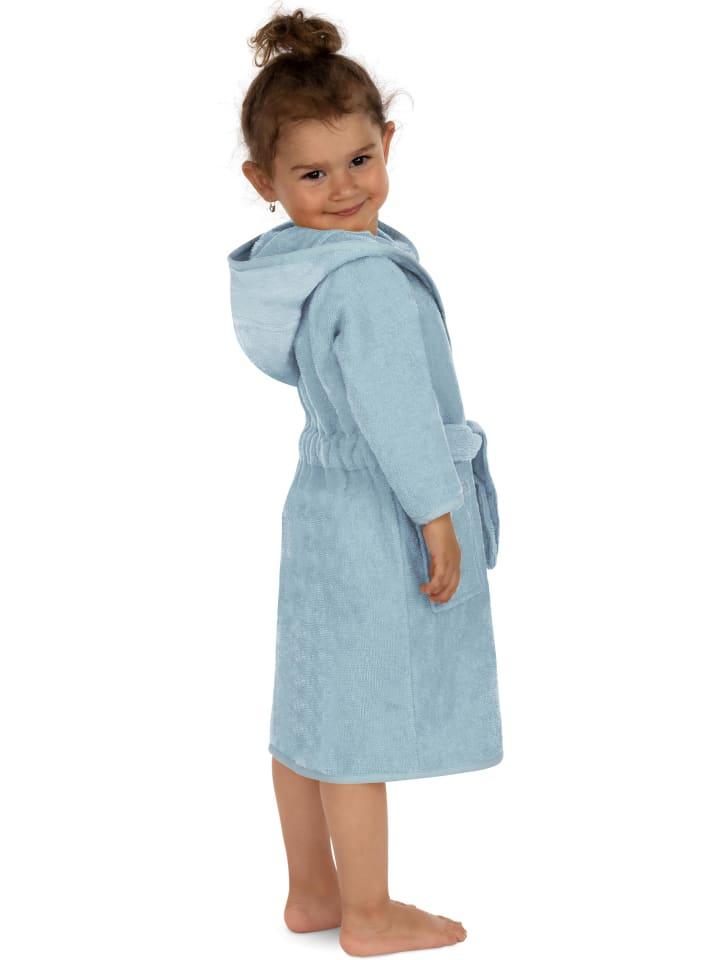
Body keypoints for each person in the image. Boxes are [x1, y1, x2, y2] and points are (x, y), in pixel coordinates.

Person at [227, 8, 504, 955]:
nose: (344, 188)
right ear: (263, 182)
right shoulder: (368, 280)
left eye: (358, 160)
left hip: (319, 503)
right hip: (380, 509)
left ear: (388, 142)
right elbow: (397, 415)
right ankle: (370, 914)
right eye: (311, 175)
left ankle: (312, 892)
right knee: (359, 719)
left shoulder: (306, 267)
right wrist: (436, 513)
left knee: (309, 698)